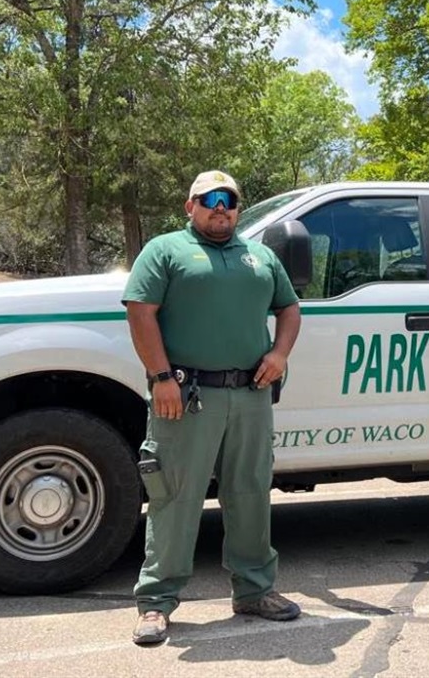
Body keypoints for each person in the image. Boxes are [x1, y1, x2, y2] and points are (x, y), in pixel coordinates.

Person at [123, 169, 303, 646]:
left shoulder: (260, 256)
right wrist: (162, 378)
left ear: (239, 208)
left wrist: (279, 354)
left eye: (229, 199)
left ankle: (254, 590)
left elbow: (289, 308)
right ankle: (156, 603)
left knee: (249, 492)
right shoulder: (164, 251)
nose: (220, 206)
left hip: (250, 395)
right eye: (209, 198)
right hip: (185, 396)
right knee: (174, 496)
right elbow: (140, 312)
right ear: (190, 205)